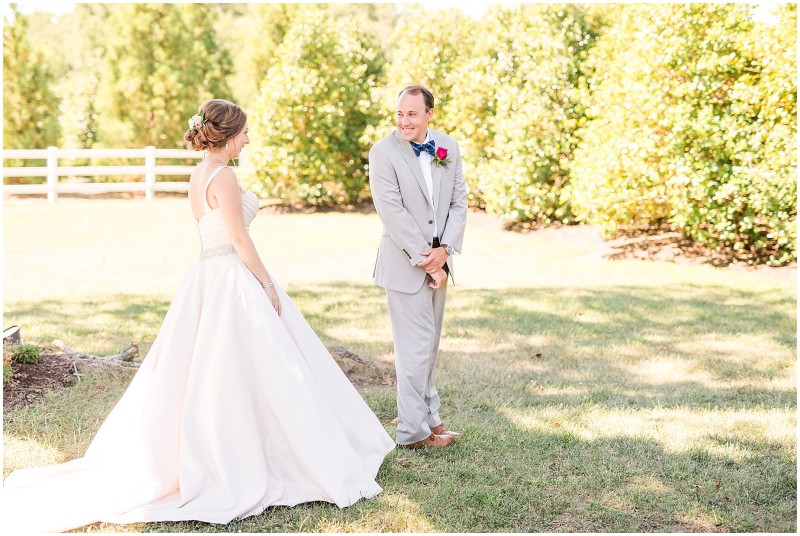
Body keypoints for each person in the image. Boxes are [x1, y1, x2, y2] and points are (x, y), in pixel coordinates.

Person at [3, 99, 396, 533]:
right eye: (244, 132)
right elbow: (238, 238)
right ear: (228, 135)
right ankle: (257, 457)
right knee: (250, 369)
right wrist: (266, 283)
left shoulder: (199, 173)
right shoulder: (224, 176)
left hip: (208, 275)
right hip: (231, 277)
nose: (248, 139)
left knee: (220, 371)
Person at [368, 85, 468, 449]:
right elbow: (392, 213)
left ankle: (431, 417)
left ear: (429, 114)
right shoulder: (382, 153)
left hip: (441, 261)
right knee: (414, 347)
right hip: (405, 265)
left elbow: (458, 202)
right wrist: (429, 261)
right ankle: (412, 431)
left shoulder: (447, 147)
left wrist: (446, 251)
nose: (404, 121)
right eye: (399, 114)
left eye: (412, 114)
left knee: (430, 345)